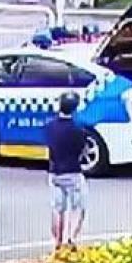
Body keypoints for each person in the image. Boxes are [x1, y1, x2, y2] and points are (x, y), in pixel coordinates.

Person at [45, 92, 90, 251]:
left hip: (54, 172)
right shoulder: (79, 129)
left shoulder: (50, 126)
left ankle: (56, 240)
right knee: (78, 206)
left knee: (57, 208)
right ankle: (70, 238)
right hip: (73, 172)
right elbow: (83, 152)